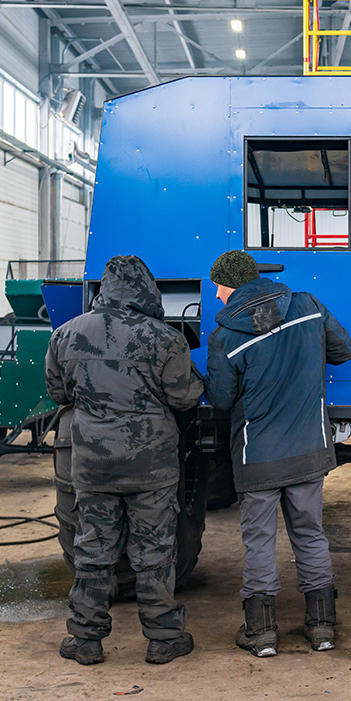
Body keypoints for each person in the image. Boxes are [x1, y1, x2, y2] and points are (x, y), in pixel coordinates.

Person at [45, 255, 204, 666]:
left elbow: (59, 394)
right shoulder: (165, 339)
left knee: (93, 549)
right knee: (154, 552)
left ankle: (85, 640)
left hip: (93, 466)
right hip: (150, 467)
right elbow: (185, 398)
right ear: (147, 290)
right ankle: (164, 638)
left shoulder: (66, 335)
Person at [204, 250, 351, 656]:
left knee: (258, 541)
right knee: (310, 534)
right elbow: (342, 352)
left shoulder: (224, 338)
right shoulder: (307, 307)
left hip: (258, 458)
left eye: (217, 286)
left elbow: (219, 399)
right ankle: (322, 628)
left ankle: (262, 631)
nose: (216, 296)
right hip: (308, 450)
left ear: (230, 284)